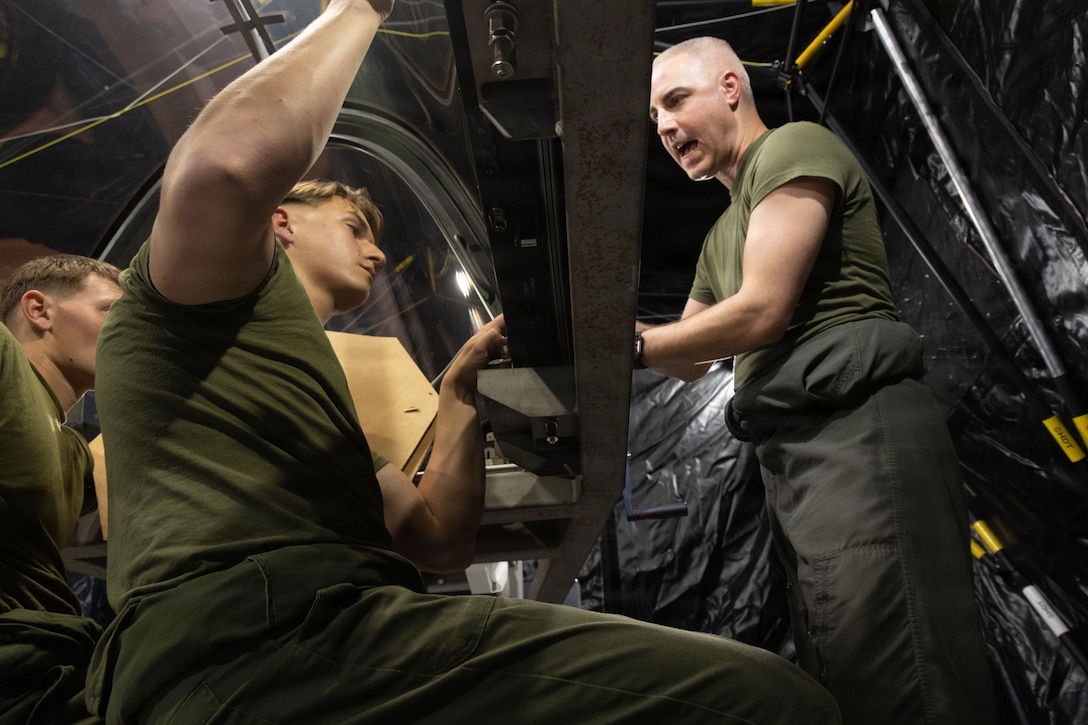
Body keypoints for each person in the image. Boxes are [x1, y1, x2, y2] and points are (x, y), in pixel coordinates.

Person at [84, 2, 843, 723]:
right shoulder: (181, 301)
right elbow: (222, 170)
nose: (379, 251)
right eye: (354, 225)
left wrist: (459, 387)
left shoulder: (304, 394)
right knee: (768, 703)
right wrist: (356, 12)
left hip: (295, 643)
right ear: (279, 219)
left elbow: (437, 537)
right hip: (266, 643)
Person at [640, 36, 997, 725]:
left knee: (903, 669)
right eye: (654, 115)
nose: (664, 126)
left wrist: (632, 342)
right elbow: (681, 355)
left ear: (731, 88)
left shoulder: (793, 147)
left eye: (676, 100)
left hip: (858, 436)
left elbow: (763, 310)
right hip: (798, 460)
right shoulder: (722, 238)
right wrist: (601, 340)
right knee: (851, 667)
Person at [0, 254, 121, 725]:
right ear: (39, 310)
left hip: (53, 662)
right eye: (112, 311)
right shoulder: (7, 362)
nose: (132, 330)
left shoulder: (74, 448)